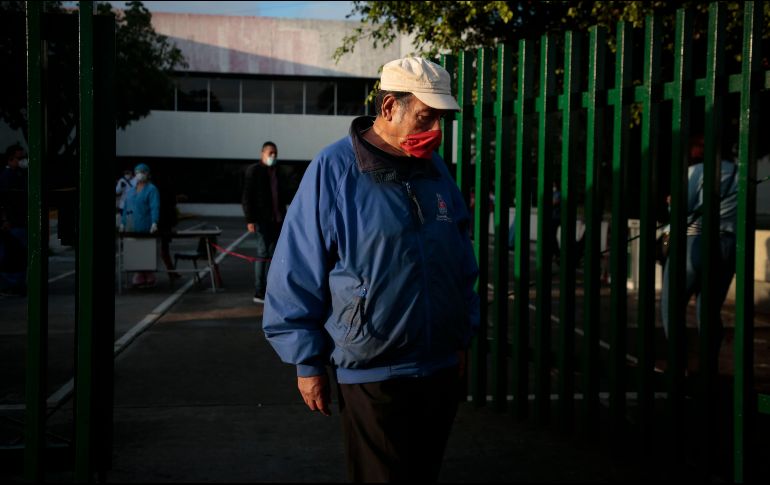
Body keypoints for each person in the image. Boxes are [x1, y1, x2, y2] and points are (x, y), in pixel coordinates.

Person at [262, 56, 480, 482]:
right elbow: (296, 267)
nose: (435, 131)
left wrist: (461, 335)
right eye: (425, 116)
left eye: (440, 119)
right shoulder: (334, 169)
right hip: (371, 371)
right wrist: (307, 363)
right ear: (388, 108)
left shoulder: (436, 172)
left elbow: (459, 259)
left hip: (437, 367)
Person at [661, 134, 738, 370]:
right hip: (727, 244)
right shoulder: (738, 173)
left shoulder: (697, 171)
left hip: (693, 241)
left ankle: (678, 365)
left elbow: (682, 207)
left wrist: (671, 202)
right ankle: (709, 366)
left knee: (672, 306)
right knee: (709, 310)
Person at [241, 141, 289, 304]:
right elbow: (247, 197)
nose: (273, 156)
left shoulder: (278, 172)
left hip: (278, 220)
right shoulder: (254, 171)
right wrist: (250, 220)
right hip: (262, 220)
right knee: (263, 254)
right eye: (270, 153)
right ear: (262, 154)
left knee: (275, 255)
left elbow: (284, 195)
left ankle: (271, 288)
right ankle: (259, 291)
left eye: (275, 153)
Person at [120, 163, 160, 288]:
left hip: (146, 225)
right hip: (132, 226)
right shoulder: (131, 190)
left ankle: (148, 273)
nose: (140, 174)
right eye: (137, 171)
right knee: (134, 249)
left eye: (142, 171)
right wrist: (122, 222)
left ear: (148, 174)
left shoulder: (152, 189)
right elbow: (126, 207)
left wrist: (154, 222)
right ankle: (138, 273)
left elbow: (154, 207)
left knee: (146, 249)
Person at [0, 144, 28, 296]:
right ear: (11, 159)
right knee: (11, 255)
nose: (24, 161)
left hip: (20, 222)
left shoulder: (20, 175)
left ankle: (17, 284)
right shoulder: (6, 177)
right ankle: (10, 285)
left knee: (19, 255)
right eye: (20, 158)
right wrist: (4, 220)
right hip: (12, 224)